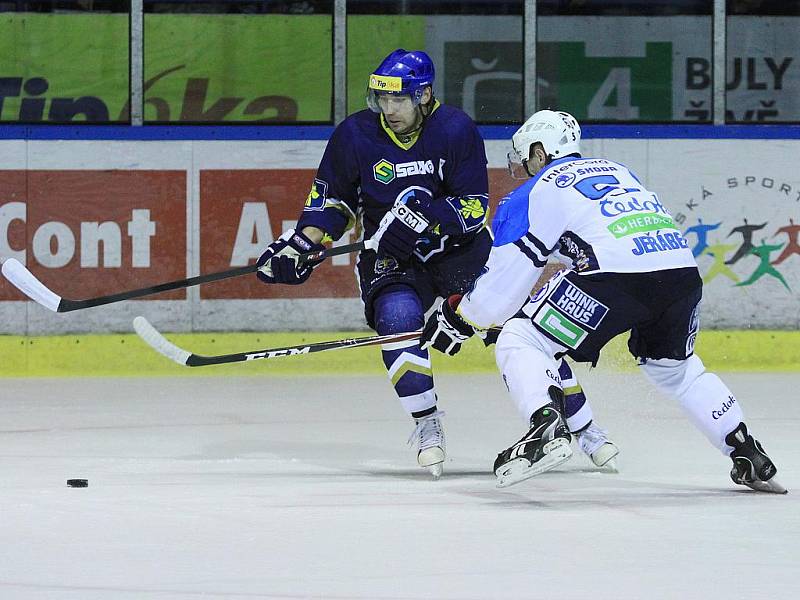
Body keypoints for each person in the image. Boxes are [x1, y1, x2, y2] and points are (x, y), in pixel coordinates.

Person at [255, 51, 616, 477]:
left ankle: (584, 427)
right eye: (381, 100)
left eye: (399, 100)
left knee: (520, 330)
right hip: (390, 256)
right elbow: (331, 202)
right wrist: (301, 244)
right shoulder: (354, 134)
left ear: (424, 94)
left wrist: (425, 219)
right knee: (397, 320)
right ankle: (427, 425)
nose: (388, 110)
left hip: (459, 251)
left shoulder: (456, 129)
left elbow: (473, 207)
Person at [420, 109, 787, 494]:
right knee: (677, 370)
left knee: (521, 338)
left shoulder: (533, 192)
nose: (526, 166)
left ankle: (545, 429)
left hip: (614, 279)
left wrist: (457, 316)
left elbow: (498, 296)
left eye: (527, 155)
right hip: (680, 274)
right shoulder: (616, 170)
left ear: (541, 152)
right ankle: (746, 451)